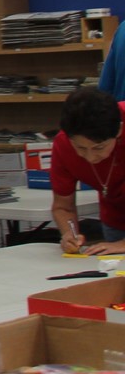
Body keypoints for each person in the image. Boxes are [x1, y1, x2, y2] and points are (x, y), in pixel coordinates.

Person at [52, 86, 125, 255]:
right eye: (80, 148)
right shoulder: (63, 145)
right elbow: (63, 207)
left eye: (99, 147)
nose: (91, 157)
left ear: (119, 130)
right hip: (116, 220)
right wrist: (69, 234)